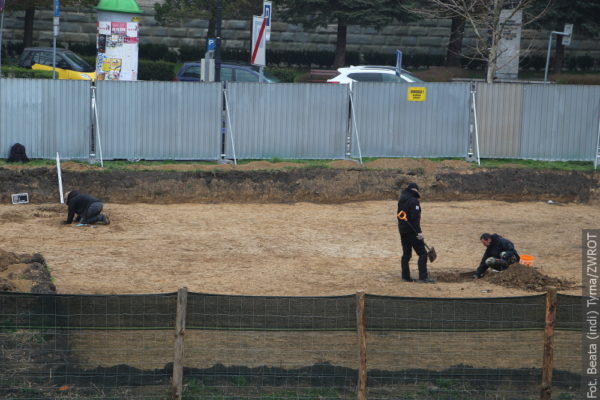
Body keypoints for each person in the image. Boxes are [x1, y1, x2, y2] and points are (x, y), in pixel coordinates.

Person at [397, 182, 434, 283]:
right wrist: (419, 233)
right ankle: (423, 277)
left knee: (406, 254)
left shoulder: (401, 200)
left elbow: (401, 216)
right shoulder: (414, 201)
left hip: (402, 230)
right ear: (415, 190)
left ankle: (405, 277)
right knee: (422, 253)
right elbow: (414, 219)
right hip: (412, 231)